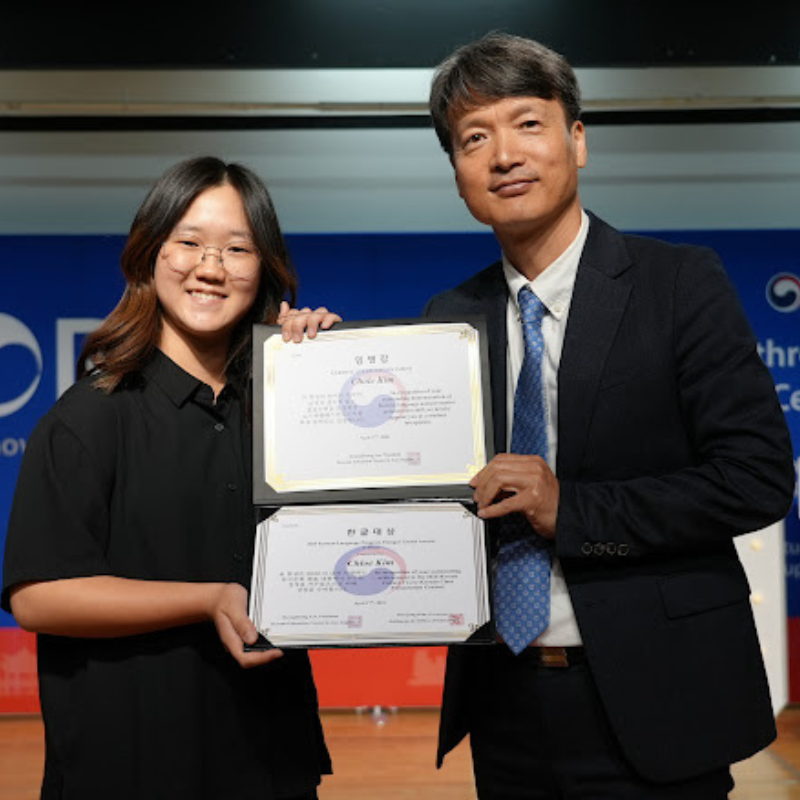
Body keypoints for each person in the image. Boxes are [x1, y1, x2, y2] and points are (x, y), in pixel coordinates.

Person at [424, 32, 796, 799]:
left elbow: (758, 478)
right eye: (473, 137)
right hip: (505, 705)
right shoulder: (449, 321)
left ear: (578, 139)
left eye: (528, 123)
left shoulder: (679, 284)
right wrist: (313, 363)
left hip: (661, 699)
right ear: (457, 172)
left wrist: (574, 509)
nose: (503, 154)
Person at [1, 156, 339, 800]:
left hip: (268, 760)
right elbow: (38, 597)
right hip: (128, 764)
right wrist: (207, 598)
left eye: (237, 248)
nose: (210, 267)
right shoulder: (89, 418)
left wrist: (332, 378)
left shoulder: (287, 408)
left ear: (264, 268)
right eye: (189, 242)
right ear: (150, 254)